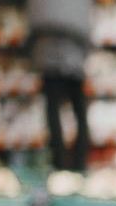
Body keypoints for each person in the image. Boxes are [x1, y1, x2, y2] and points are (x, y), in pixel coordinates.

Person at [26, 0, 92, 171]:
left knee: (53, 111)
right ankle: (80, 164)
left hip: (47, 55)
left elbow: (34, 22)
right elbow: (85, 25)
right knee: (79, 112)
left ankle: (59, 164)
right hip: (74, 56)